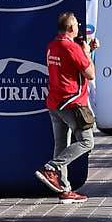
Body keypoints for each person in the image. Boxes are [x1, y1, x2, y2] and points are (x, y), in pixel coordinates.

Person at [36, 10, 96, 200]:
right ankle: (51, 168)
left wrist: (87, 52)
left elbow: (72, 67)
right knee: (87, 141)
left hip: (55, 102)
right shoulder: (72, 48)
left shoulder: (53, 45)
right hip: (71, 102)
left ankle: (64, 189)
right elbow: (90, 73)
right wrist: (87, 53)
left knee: (61, 145)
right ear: (71, 28)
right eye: (77, 24)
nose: (79, 26)